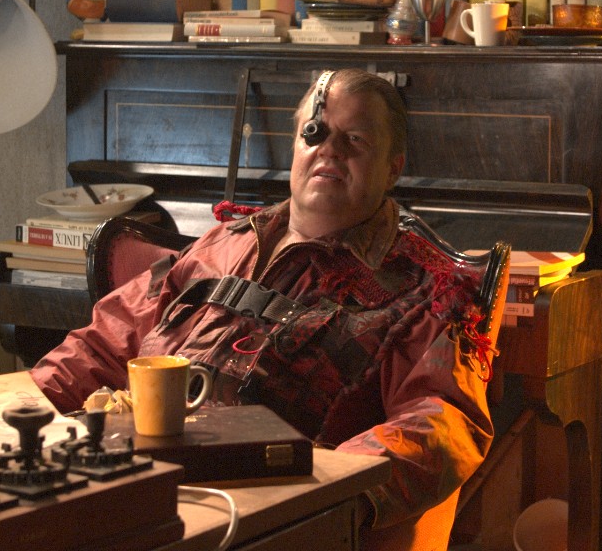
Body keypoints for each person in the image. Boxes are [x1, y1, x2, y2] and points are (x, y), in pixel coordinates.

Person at [31, 68, 495, 546]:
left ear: (393, 167)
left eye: (355, 139)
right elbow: (103, 343)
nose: (329, 149)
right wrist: (22, 410)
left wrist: (331, 484)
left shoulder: (430, 289)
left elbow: (442, 421)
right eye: (314, 132)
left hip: (267, 517)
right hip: (129, 483)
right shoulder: (221, 244)